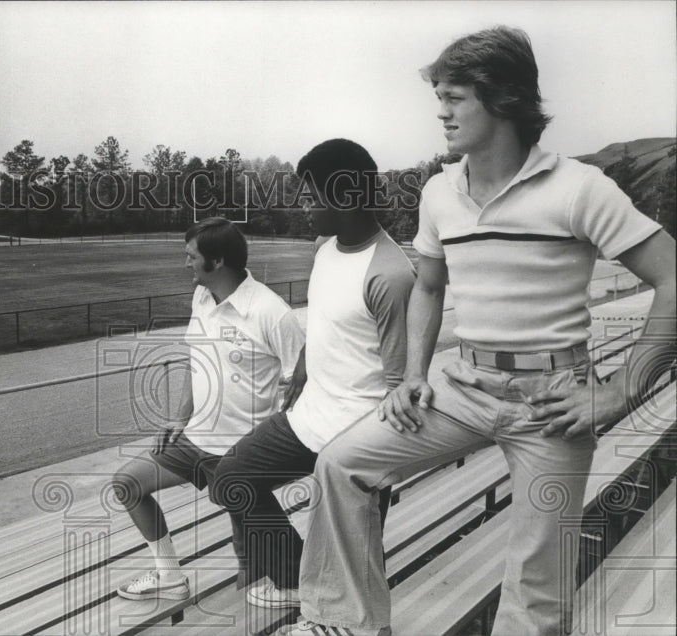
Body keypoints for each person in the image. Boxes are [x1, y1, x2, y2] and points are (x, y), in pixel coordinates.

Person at [288, 26, 676, 636]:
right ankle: (349, 623)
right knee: (341, 465)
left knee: (537, 590)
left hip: (550, 401)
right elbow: (429, 285)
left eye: (455, 97)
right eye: (438, 96)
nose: (441, 112)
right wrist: (413, 373)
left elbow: (673, 278)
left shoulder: (579, 189)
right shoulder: (439, 192)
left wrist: (621, 390)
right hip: (464, 386)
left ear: (505, 98)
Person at [210, 139, 415, 609]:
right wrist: (302, 366)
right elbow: (325, 317)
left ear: (342, 198)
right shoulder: (324, 248)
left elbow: (401, 382)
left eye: (309, 196)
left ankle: (341, 603)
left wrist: (379, 464)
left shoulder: (391, 274)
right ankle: (297, 577)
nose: (302, 206)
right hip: (309, 417)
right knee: (230, 479)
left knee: (357, 570)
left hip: (357, 437)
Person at [111, 216, 305, 601]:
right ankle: (169, 577)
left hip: (241, 451)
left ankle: (297, 585)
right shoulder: (202, 297)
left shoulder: (272, 312)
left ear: (216, 262)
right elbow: (193, 358)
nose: (186, 264)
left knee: (251, 570)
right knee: (127, 484)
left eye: (191, 257)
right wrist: (179, 417)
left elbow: (305, 378)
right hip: (194, 439)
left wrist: (276, 440)